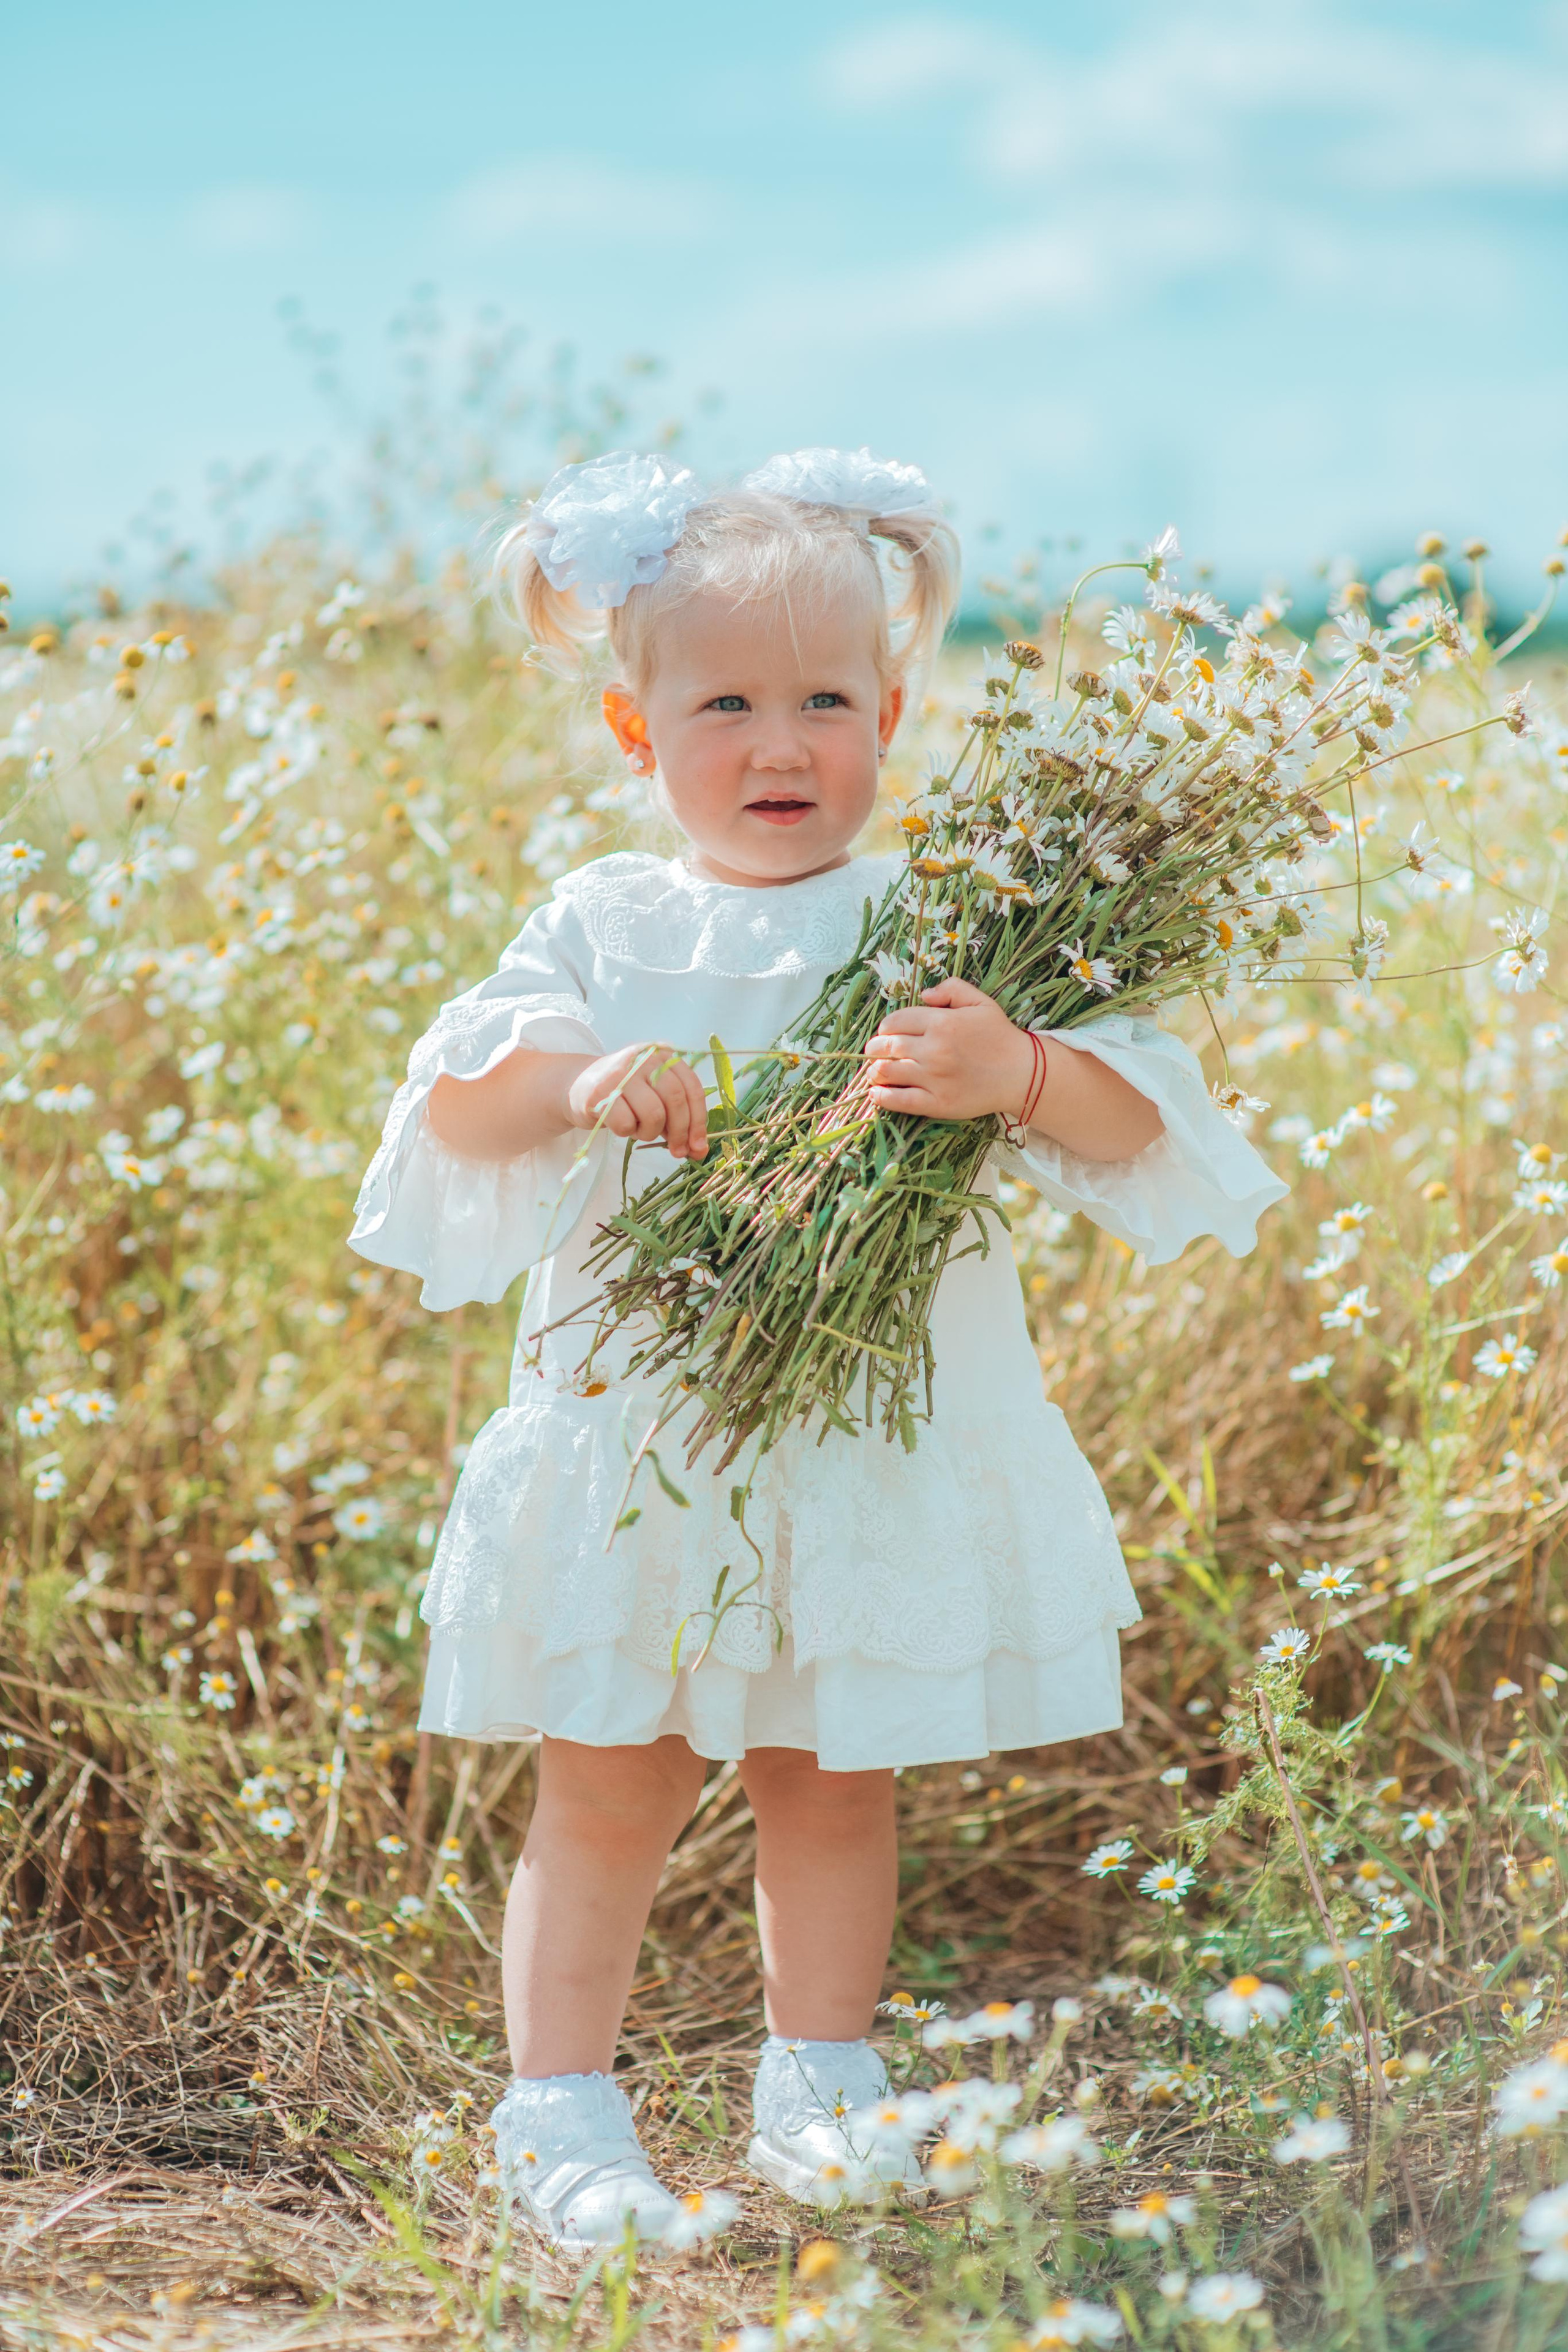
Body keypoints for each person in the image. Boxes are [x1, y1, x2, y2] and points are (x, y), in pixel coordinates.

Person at [347, 446, 1288, 2248]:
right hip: (652, 1436)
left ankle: (822, 2087)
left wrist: (1017, 1068)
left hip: (860, 1440)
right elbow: (458, 1111)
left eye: (826, 702)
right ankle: (557, 2117)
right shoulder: (609, 924)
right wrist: (581, 1079)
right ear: (636, 731)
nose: (780, 748)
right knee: (607, 1770)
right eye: (726, 706)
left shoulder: (946, 929)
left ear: (896, 711)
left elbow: (1136, 1119)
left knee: (834, 1768)